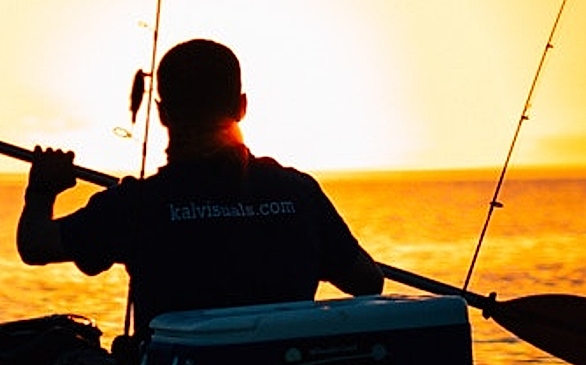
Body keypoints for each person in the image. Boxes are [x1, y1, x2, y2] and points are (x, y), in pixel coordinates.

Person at [20, 38, 384, 325]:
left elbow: (35, 245)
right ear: (242, 107)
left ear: (162, 113)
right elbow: (368, 281)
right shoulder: (300, 193)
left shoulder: (134, 206)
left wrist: (42, 190)